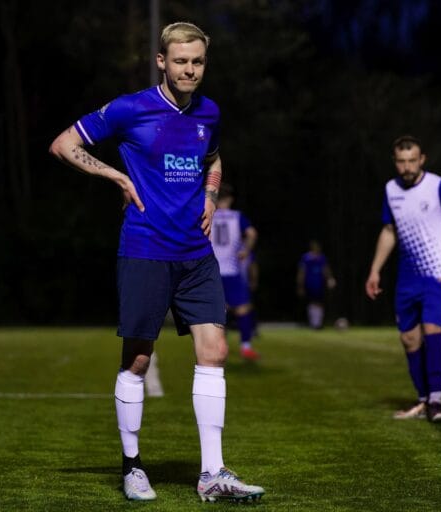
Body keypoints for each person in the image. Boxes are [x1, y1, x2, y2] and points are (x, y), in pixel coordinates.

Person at [48, 22, 264, 502]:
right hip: (145, 249)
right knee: (138, 360)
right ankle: (132, 467)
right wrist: (116, 177)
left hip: (196, 254)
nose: (190, 69)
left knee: (216, 352)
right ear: (161, 62)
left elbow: (213, 159)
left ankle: (213, 474)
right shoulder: (130, 108)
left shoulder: (209, 111)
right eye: (181, 61)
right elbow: (64, 144)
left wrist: (210, 197)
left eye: (198, 62)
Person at [365, 135, 441, 423]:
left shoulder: (439, 186)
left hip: (437, 273)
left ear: (422, 160)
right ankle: (423, 399)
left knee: (433, 329)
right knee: (409, 339)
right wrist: (375, 269)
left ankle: (436, 400)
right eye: (401, 162)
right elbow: (389, 231)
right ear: (395, 161)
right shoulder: (390, 189)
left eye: (412, 161)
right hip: (407, 278)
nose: (406, 167)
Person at [209, 184, 260, 360]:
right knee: (243, 309)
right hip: (231, 270)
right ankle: (246, 347)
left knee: (218, 311)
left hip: (212, 271)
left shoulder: (209, 214)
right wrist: (246, 250)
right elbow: (252, 234)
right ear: (230, 199)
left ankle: (220, 345)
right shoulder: (237, 217)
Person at [296, 240, 337, 329]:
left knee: (320, 303)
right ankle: (314, 323)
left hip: (319, 284)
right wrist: (300, 285)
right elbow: (301, 272)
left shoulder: (321, 258)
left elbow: (325, 270)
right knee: (312, 303)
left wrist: (330, 278)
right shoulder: (306, 258)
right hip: (309, 283)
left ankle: (318, 323)